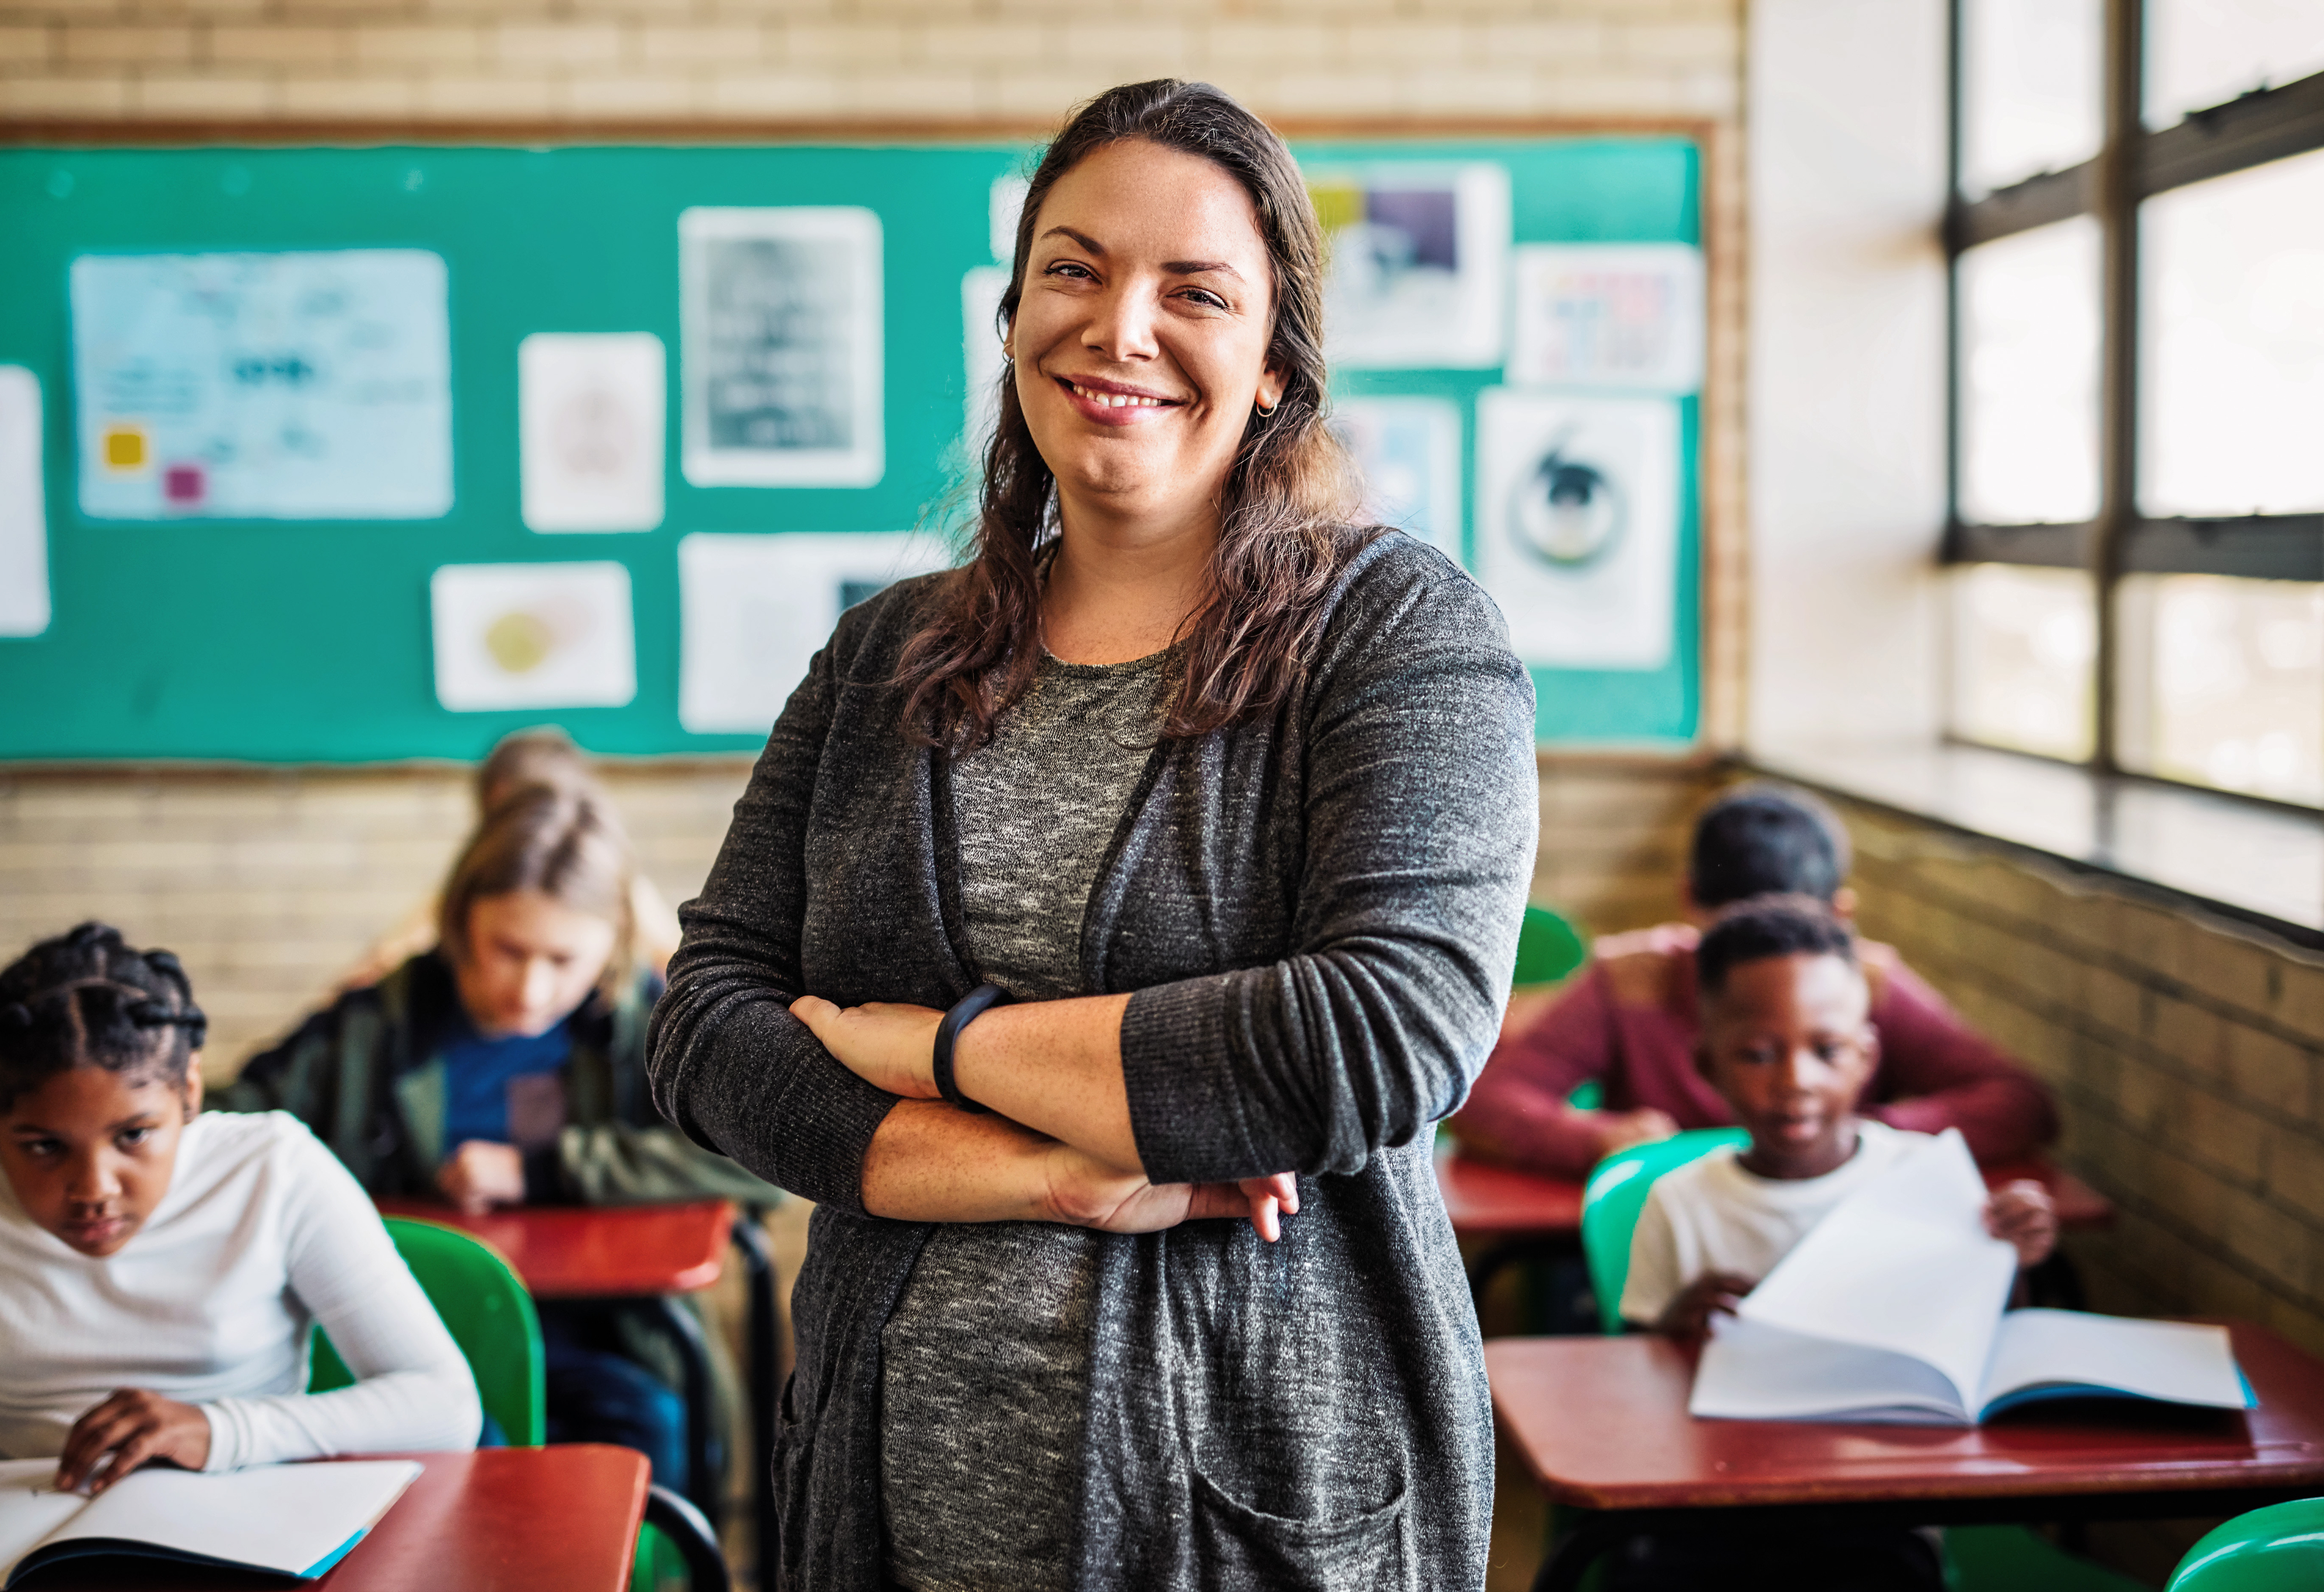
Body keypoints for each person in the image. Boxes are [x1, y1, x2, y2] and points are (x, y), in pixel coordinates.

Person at [647, 79, 1537, 1592]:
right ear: (1013, 319)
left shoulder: (1396, 633)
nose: (1119, 327)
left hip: (1260, 1526)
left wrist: (928, 1047)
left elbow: (1386, 1037)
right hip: (883, 1512)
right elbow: (707, 1039)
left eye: (1195, 291)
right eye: (1074, 267)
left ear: (1274, 366)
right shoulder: (881, 658)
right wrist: (1042, 1174)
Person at [224, 784, 776, 1498]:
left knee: (649, 1429)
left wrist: (550, 1170)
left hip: (597, 1335)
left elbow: (764, 1158)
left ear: (612, 943)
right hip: (401, 1334)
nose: (530, 990)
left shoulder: (652, 1024)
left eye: (563, 960)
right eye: (507, 950)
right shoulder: (373, 1023)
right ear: (459, 922)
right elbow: (234, 1123)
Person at [1608, 897, 2055, 1591]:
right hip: (1711, 1503)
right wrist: (1674, 1331)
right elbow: (1629, 1390)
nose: (1796, 1081)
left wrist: (2011, 1252)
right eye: (1757, 1053)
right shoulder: (1678, 1203)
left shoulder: (1925, 1182)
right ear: (1706, 1062)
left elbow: (1981, 1346)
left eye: (1827, 1051)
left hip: (1879, 1505)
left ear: (1867, 1057)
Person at [0, 922, 480, 1485]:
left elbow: (445, 1406)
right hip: (17, 1549)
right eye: (44, 1147)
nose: (95, 1190)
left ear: (190, 1090)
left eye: (135, 1136)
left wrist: (223, 1431)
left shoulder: (276, 1170)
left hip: (243, 1533)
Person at [1452, 783, 2059, 1177]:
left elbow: (2016, 1102)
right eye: (1732, 944)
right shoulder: (1630, 980)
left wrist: (1872, 1139)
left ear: (1839, 924)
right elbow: (1485, 1104)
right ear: (1689, 907)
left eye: (1822, 1047)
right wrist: (1597, 1139)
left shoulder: (1869, 984)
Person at [331, 727, 681, 997]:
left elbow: (683, 976)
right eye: (509, 826)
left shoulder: (622, 894)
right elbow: (367, 976)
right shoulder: (461, 898)